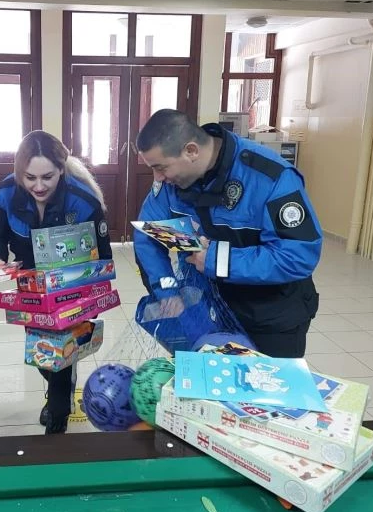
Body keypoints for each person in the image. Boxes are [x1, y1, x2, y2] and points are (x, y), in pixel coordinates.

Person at [134, 109, 322, 359]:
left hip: (271, 318)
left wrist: (215, 260)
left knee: (264, 394)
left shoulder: (269, 177)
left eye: (161, 167)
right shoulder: (171, 187)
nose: (157, 178)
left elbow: (299, 254)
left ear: (191, 151)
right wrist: (168, 294)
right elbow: (149, 236)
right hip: (205, 313)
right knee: (204, 394)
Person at [0, 130, 112, 434]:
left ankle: (57, 419)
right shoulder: (5, 193)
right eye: (30, 178)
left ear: (61, 170)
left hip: (72, 285)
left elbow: (102, 254)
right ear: (19, 172)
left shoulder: (83, 200)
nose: (38, 186)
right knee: (42, 353)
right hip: (30, 284)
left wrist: (93, 299)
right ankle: (60, 386)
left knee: (60, 352)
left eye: (48, 177)